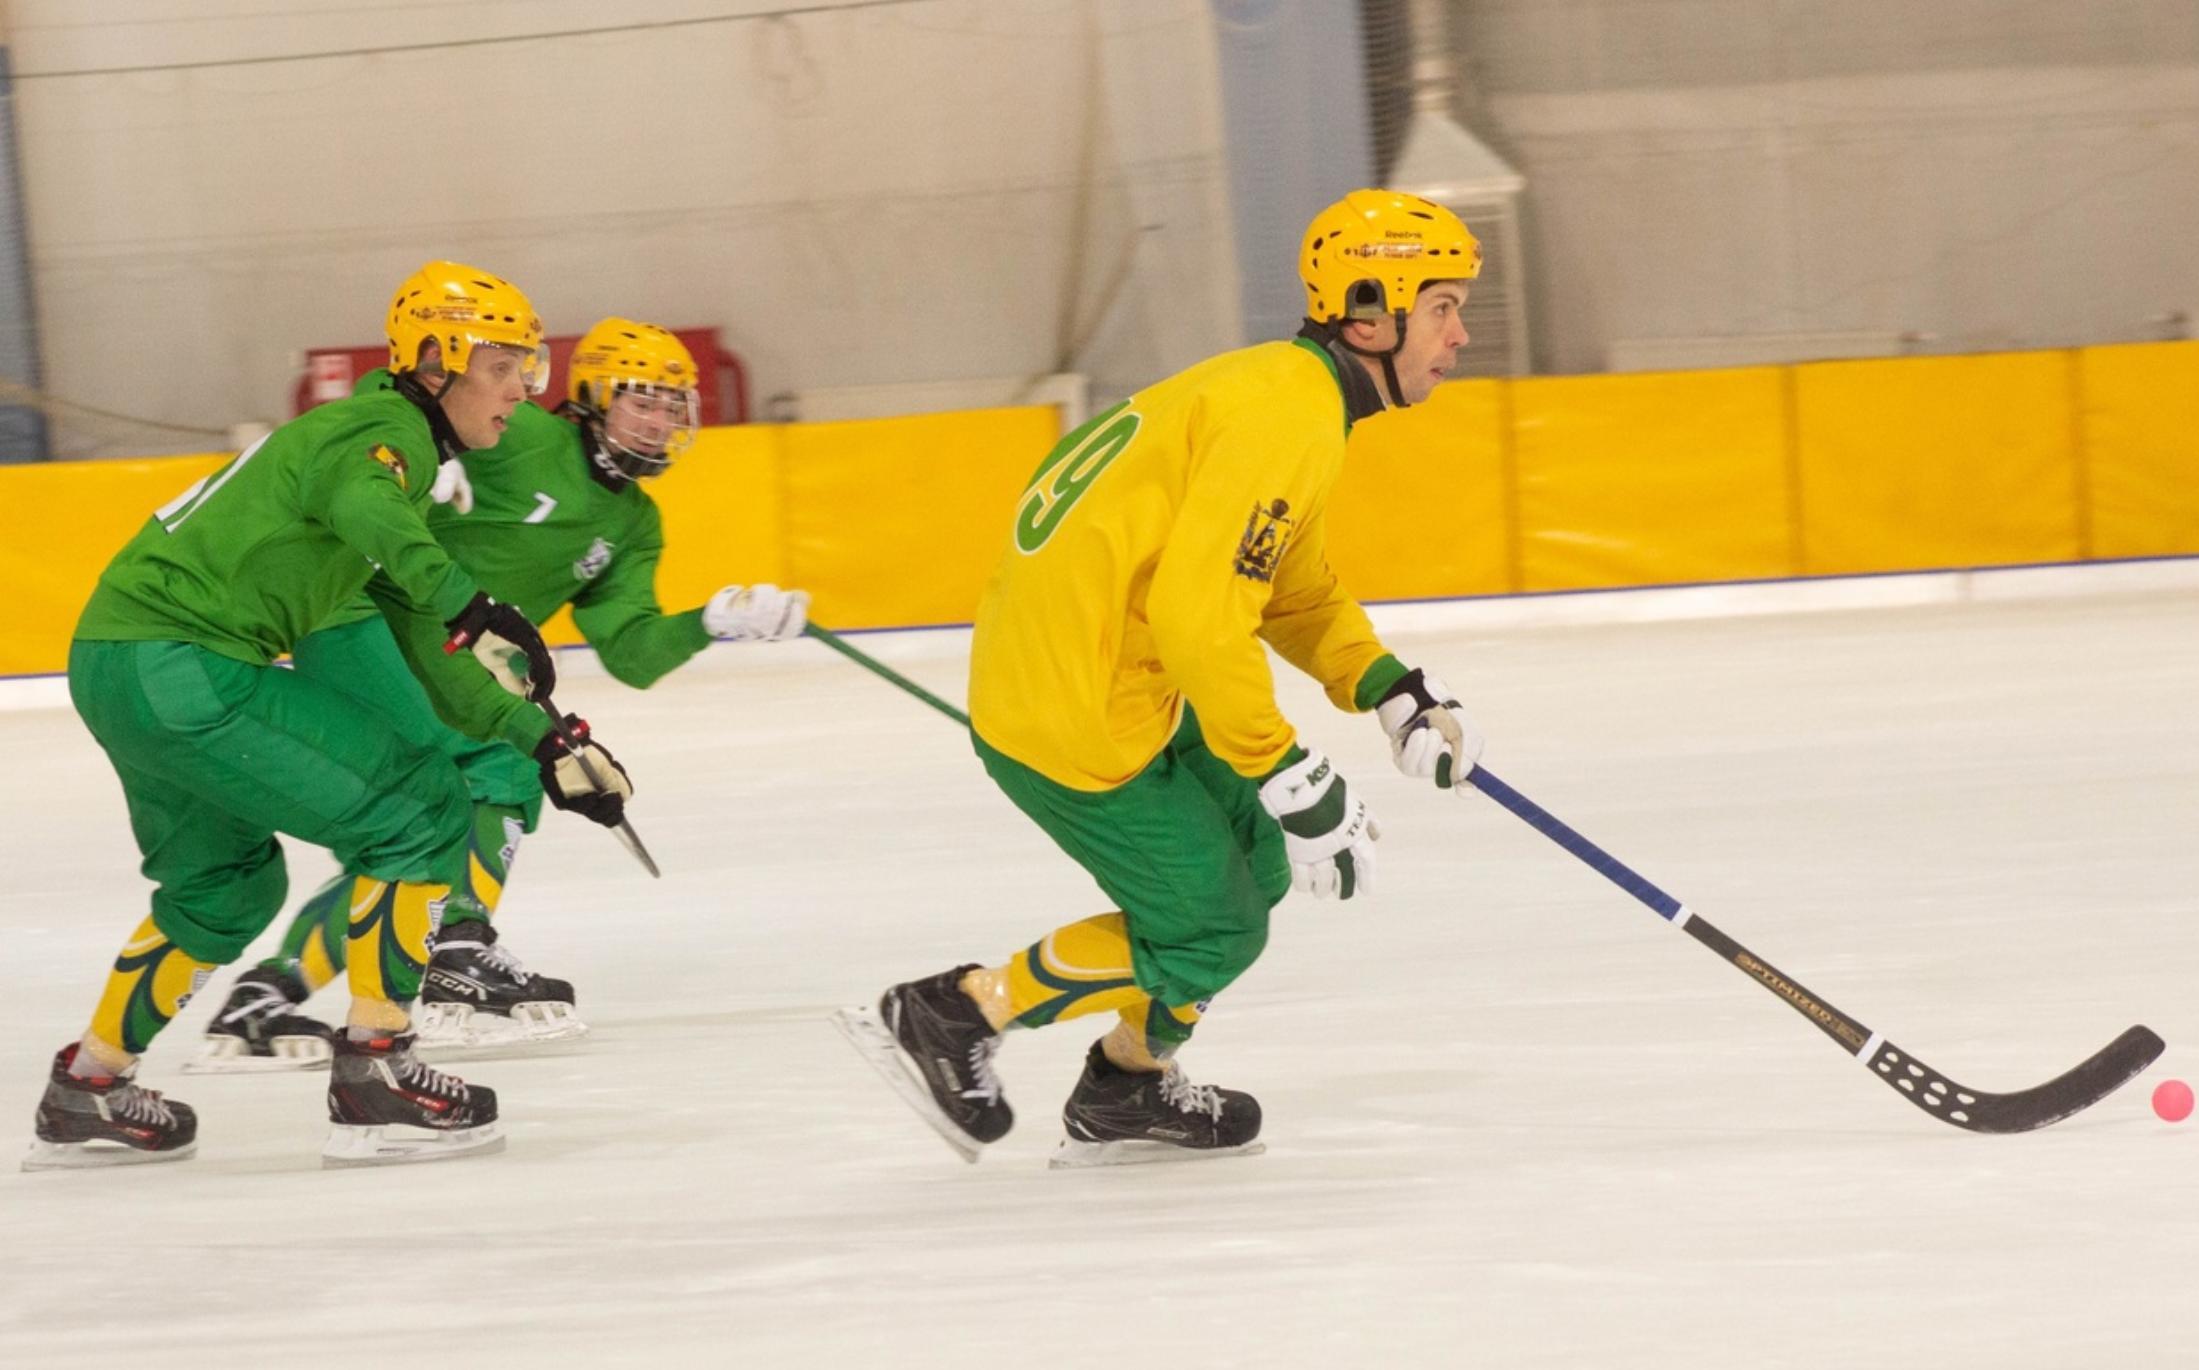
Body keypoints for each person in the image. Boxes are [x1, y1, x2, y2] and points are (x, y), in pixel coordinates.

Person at [837, 190, 1488, 1165]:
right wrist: (1285, 769)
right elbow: (1199, 611)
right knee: (1213, 927)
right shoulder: (1294, 416)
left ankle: (1125, 1088)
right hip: (1078, 707)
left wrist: (1389, 688)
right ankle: (959, 1008)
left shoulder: (1288, 391)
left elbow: (1288, 584)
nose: (1461, 332)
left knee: (1256, 867)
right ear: (1371, 309)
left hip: (1109, 671)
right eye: (1441, 306)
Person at [24, 262, 632, 1170]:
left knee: (225, 888)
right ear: (437, 358)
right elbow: (374, 511)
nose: (522, 392)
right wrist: (473, 599)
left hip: (118, 660)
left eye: (530, 369)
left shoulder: (381, 455)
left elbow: (431, 646)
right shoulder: (383, 433)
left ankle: (90, 1085)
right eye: (504, 366)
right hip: (183, 660)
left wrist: (542, 740)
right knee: (424, 808)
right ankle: (378, 1069)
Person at [194, 318, 809, 1068]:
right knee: (513, 761)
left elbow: (632, 653)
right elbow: (374, 397)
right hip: (371, 621)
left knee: (421, 826)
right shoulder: (519, 437)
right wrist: (413, 460)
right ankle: (460, 943)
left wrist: (711, 622)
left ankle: (267, 995)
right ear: (590, 396)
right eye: (640, 402)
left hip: (452, 661)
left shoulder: (634, 522)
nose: (658, 422)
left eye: (674, 408)